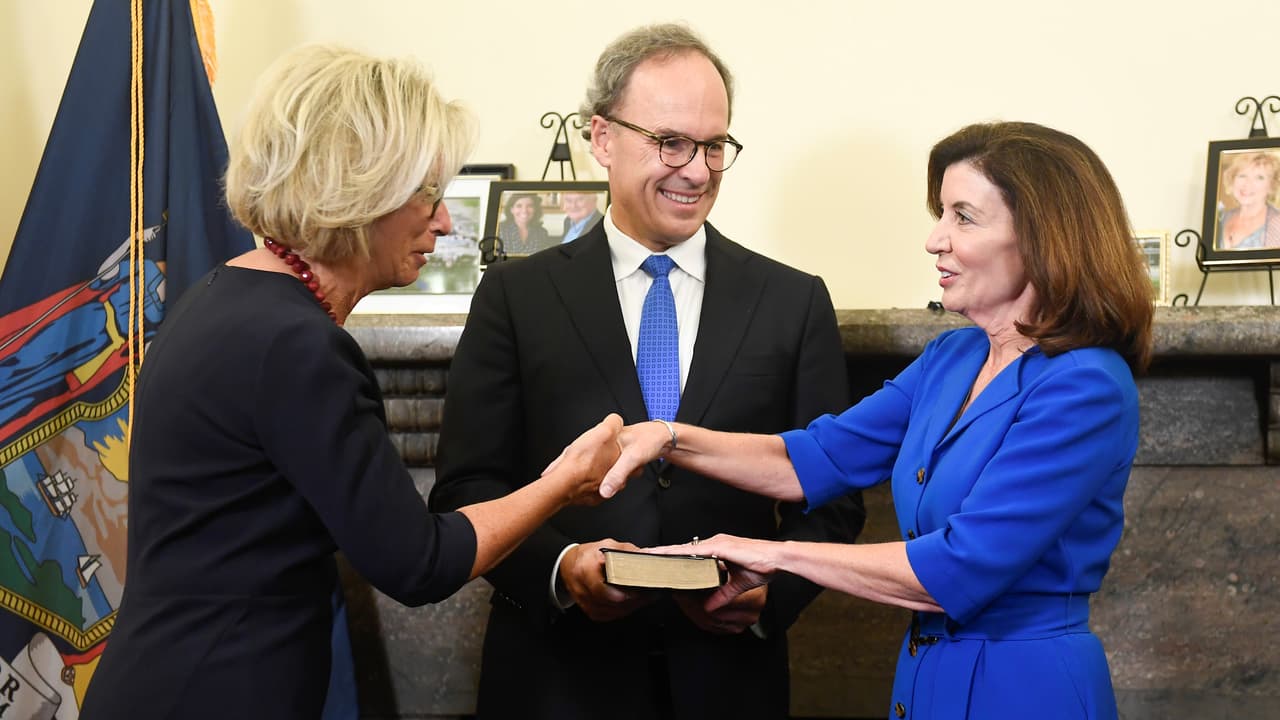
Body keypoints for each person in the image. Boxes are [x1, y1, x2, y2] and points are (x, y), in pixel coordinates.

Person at [79, 45, 622, 720]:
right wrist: (560, 484)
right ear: (357, 185)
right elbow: (418, 564)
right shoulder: (296, 346)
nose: (446, 221)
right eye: (427, 193)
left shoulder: (226, 295)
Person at [601, 121, 1154, 720]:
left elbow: (958, 568)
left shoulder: (1086, 385)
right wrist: (668, 438)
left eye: (962, 217)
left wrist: (770, 554)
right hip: (924, 678)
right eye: (941, 213)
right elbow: (815, 458)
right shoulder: (952, 357)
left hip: (1027, 687)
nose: (934, 239)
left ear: (1045, 238)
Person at [428, 23, 865, 720]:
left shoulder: (793, 301)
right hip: (559, 682)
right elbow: (467, 486)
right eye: (670, 142)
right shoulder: (517, 296)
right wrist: (563, 567)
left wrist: (770, 593)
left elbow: (834, 497)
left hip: (730, 684)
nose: (696, 169)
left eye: (715, 145)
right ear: (602, 138)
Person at [1215, 151, 1280, 250]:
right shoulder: (1223, 218)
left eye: (1259, 178)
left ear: (1271, 185)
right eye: (1242, 175)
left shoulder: (1276, 222)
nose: (1248, 184)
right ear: (1232, 179)